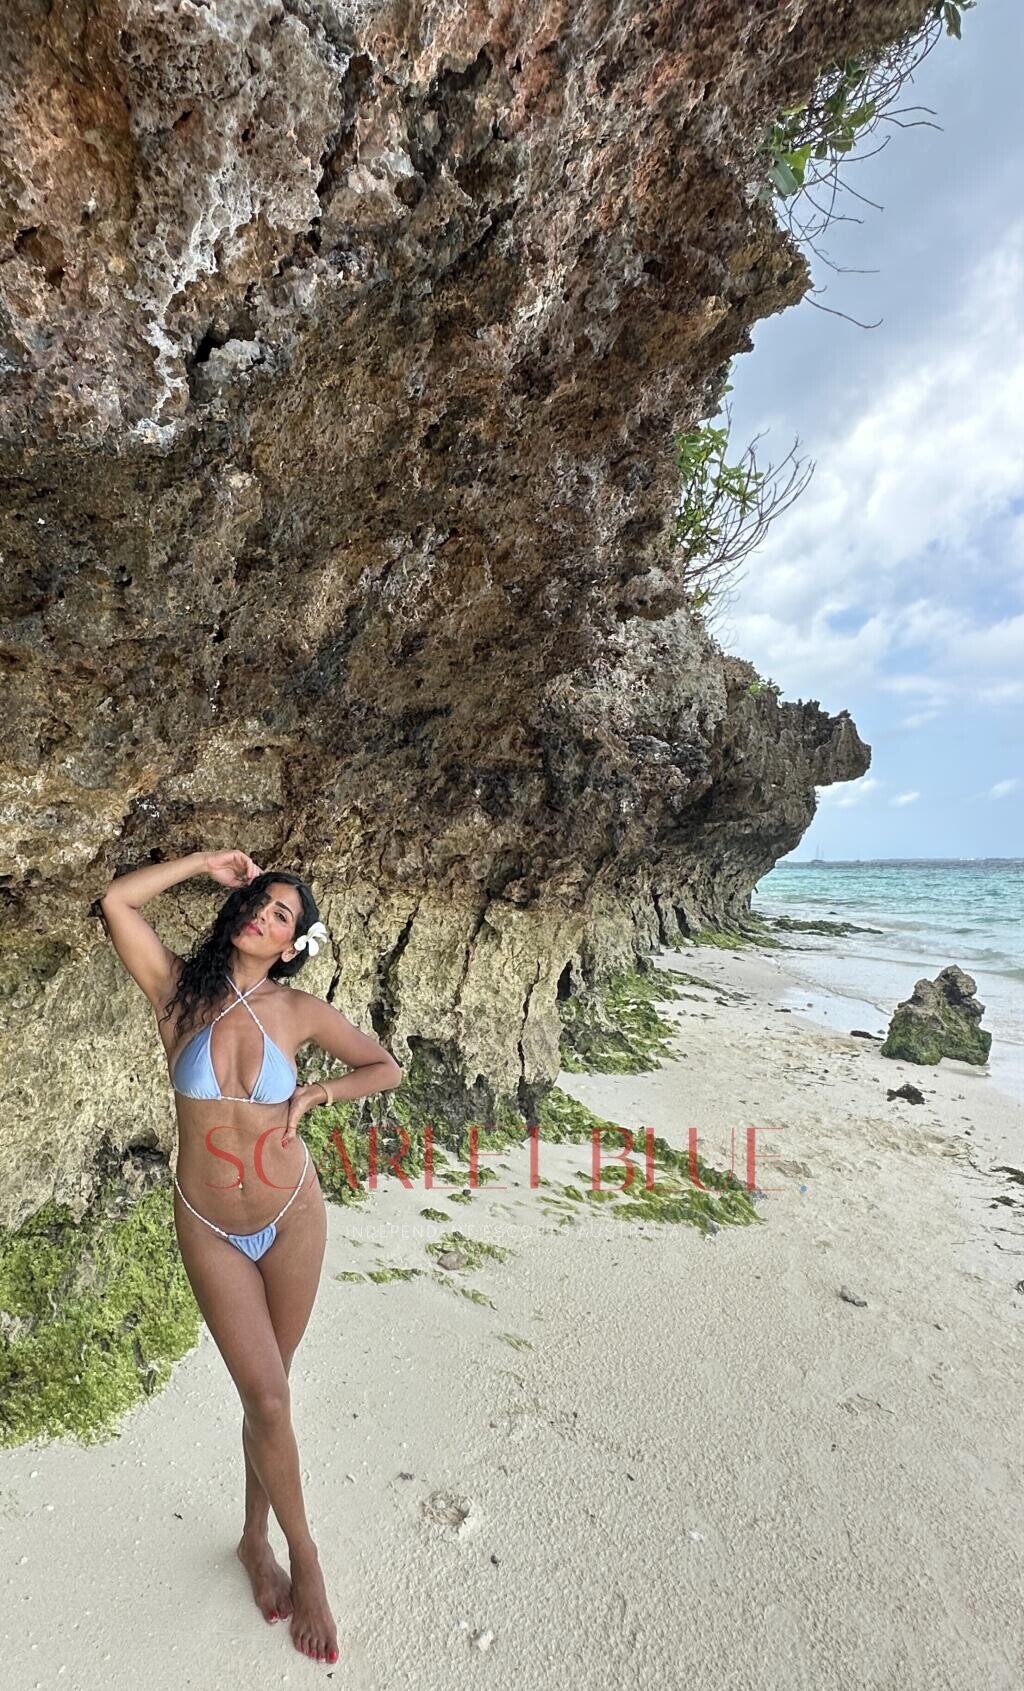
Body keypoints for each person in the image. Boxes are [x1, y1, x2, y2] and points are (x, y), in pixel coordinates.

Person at [99, 847, 403, 1667]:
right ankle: (306, 1558)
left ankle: (254, 1538)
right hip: (209, 1223)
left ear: (292, 945)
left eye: (280, 916)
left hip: (292, 1213)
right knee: (267, 1397)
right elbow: (118, 901)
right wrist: (206, 863)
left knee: (271, 1395)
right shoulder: (178, 994)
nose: (262, 917)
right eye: (258, 902)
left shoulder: (298, 1009)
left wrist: (317, 1092)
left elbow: (385, 1066)